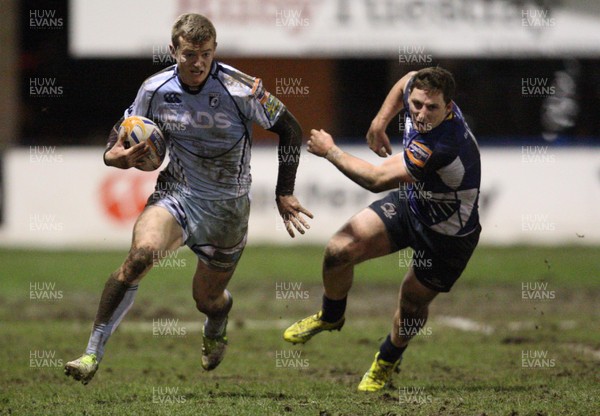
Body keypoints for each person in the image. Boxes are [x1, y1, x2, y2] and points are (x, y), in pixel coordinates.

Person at [65, 13, 312, 385]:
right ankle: (90, 354)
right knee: (138, 259)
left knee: (206, 300)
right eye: (189, 54)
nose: (198, 63)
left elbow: (290, 129)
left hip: (227, 210)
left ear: (215, 51)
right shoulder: (154, 89)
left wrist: (284, 191)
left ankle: (217, 319)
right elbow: (121, 135)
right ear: (173, 50)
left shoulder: (240, 88)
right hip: (177, 195)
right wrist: (112, 156)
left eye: (206, 54)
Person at [283, 67, 481, 392]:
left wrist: (330, 151)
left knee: (411, 304)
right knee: (338, 250)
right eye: (416, 104)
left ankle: (387, 358)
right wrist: (379, 121)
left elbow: (375, 180)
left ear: (449, 108)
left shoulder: (444, 144)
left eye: (431, 108)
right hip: (413, 205)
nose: (420, 113)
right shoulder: (419, 93)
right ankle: (331, 315)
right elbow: (407, 80)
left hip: (447, 236)